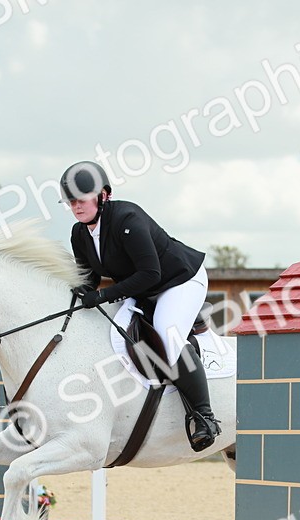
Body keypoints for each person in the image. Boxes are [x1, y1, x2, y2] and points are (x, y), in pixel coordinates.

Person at [59, 160, 220, 451]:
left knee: (168, 333)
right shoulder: (79, 234)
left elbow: (151, 273)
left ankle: (205, 416)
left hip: (180, 281)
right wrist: (76, 295)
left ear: (103, 196)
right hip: (145, 289)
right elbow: (90, 278)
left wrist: (105, 296)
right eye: (71, 201)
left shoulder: (127, 219)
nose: (76, 206)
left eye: (81, 199)